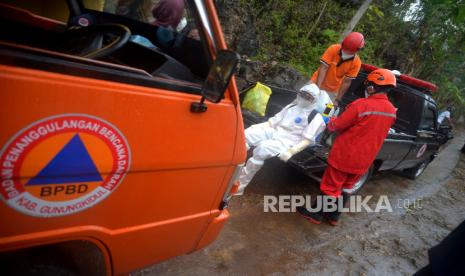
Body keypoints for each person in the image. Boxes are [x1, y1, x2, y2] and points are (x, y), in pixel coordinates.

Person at [297, 68, 397, 225]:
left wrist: (326, 121)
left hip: (346, 155)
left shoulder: (361, 105)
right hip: (365, 159)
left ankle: (315, 214)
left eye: (368, 85)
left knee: (331, 186)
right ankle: (333, 217)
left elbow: (337, 125)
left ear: (372, 86)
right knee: (347, 187)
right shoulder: (392, 111)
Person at [236, 84, 327, 195]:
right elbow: (273, 121)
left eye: (308, 97)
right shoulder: (292, 106)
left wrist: (291, 151)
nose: (304, 98)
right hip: (275, 131)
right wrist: (258, 127)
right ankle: (229, 168)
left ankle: (239, 186)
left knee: (262, 149)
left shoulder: (315, 117)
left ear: (314, 100)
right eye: (303, 94)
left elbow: (307, 140)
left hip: (288, 140)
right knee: (247, 135)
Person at [310, 32, 365, 107]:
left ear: (357, 50)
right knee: (301, 102)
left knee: (326, 112)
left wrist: (337, 100)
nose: (346, 51)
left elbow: (347, 82)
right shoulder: (333, 49)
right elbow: (323, 68)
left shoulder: (356, 62)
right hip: (315, 82)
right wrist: (317, 88)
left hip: (333, 92)